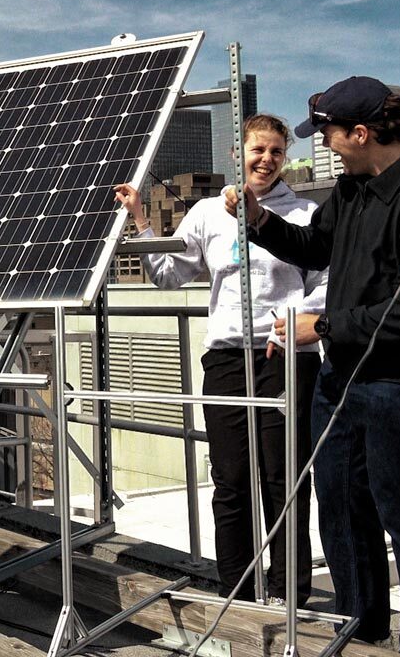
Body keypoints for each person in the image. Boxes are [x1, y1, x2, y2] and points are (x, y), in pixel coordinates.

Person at [228, 76, 400, 657]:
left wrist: (326, 326)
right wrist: (260, 220)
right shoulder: (354, 189)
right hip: (343, 379)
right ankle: (362, 629)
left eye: (331, 135)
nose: (327, 145)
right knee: (339, 503)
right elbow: (317, 247)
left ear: (361, 133)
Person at [115, 114, 324, 605]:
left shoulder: (305, 214)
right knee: (231, 481)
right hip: (227, 360)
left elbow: (325, 281)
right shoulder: (209, 213)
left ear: (285, 157)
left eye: (276, 151)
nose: (267, 160)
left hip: (285, 360)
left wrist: (300, 320)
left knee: (285, 480)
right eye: (258, 150)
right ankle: (238, 591)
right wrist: (142, 221)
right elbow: (168, 276)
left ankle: (289, 592)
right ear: (239, 154)